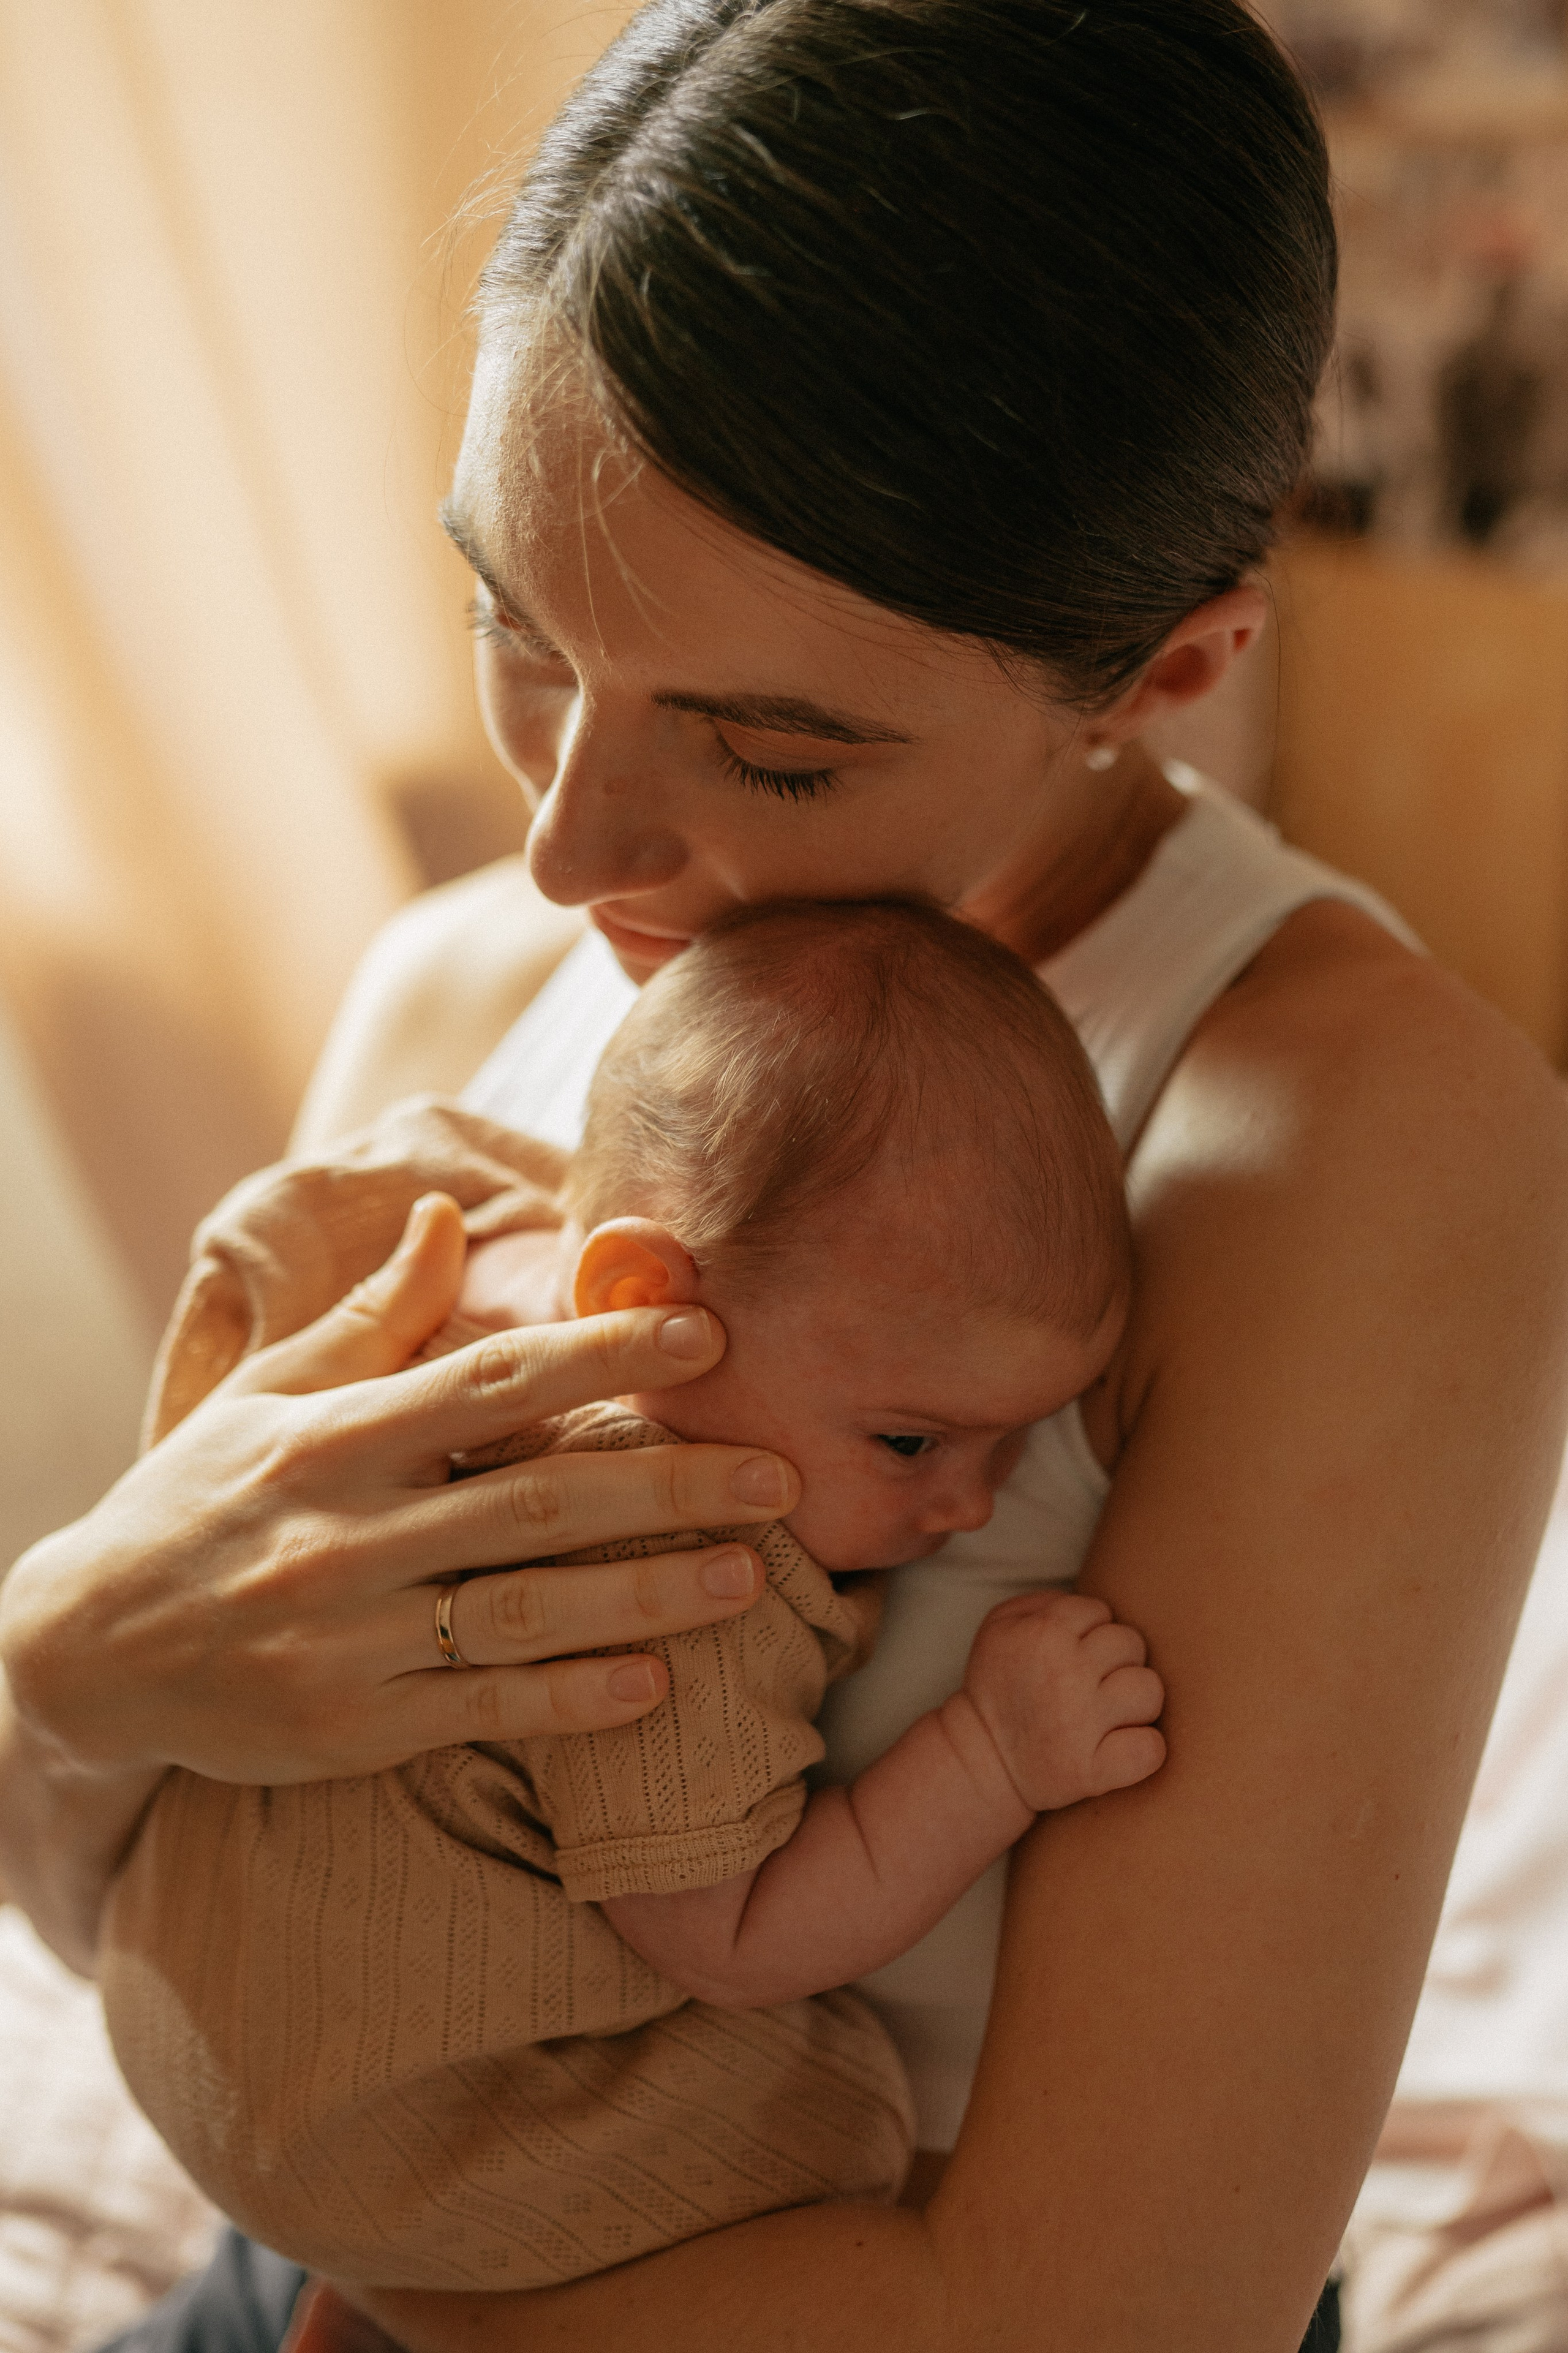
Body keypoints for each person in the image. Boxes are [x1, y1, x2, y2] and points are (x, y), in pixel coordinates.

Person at [2, 2, 1566, 2346]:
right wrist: (64, 1661)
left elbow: (1104, 2312)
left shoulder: (1346, 1146)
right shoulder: (455, 995)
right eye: (518, 634)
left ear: (1165, 663)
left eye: (772, 752)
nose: (563, 850)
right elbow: (193, 1898)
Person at [102, 899, 1163, 2290]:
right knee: (837, 2144)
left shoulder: (464, 1266)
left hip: (190, 2020)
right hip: (401, 2125)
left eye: (1015, 1442)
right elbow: (734, 1936)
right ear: (639, 1294)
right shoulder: (671, 1557)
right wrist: (993, 1753)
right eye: (912, 1441)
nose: (967, 1504)